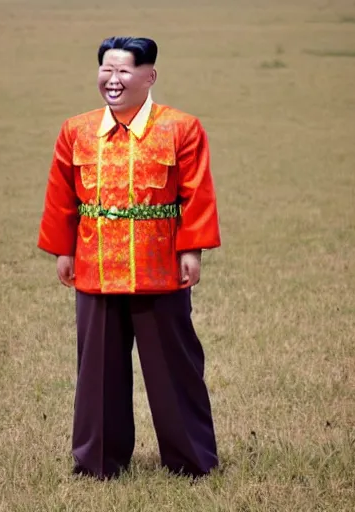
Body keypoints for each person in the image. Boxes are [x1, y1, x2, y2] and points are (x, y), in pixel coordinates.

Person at [37, 36, 221, 481]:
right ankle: (97, 463)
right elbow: (61, 197)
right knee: (97, 374)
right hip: (94, 268)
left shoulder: (182, 127)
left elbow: (196, 193)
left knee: (174, 370)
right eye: (106, 70)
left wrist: (191, 250)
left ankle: (191, 463)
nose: (112, 80)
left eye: (122, 71)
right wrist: (64, 250)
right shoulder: (75, 130)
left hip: (160, 267)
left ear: (148, 76)